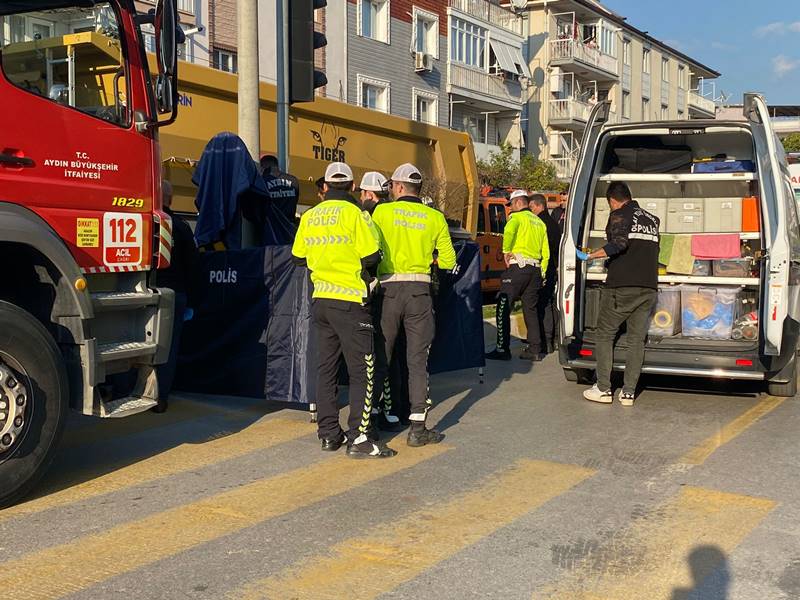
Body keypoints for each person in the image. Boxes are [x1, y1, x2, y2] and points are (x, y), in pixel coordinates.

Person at [291, 162, 396, 458]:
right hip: (350, 302)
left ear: (325, 186)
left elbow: (298, 257)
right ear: (351, 186)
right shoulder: (355, 214)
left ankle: (328, 434)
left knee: (325, 370)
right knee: (363, 371)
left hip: (321, 300)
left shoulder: (310, 216)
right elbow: (372, 255)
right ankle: (360, 438)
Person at [371, 163, 456, 447]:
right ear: (419, 190)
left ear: (397, 187)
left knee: (381, 356)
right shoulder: (434, 217)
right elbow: (448, 262)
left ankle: (370, 424)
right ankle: (418, 429)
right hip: (420, 292)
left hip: (388, 290)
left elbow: (369, 251)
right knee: (417, 361)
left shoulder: (381, 212)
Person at [577, 181, 659, 407]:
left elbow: (619, 244)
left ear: (612, 201)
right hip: (648, 288)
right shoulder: (652, 220)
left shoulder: (619, 215)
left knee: (604, 334)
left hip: (622, 287)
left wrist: (590, 256)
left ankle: (603, 388)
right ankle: (628, 393)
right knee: (636, 340)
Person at [486, 190, 550, 362]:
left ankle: (502, 349)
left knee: (503, 305)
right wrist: (542, 271)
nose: (509, 209)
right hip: (535, 269)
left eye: (510, 205)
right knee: (530, 309)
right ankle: (535, 349)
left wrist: (506, 251)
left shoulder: (516, 218)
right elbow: (546, 252)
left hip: (518, 267)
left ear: (517, 203)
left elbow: (509, 233)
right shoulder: (539, 222)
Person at [155, 180, 200, 412]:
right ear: (171, 199)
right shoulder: (181, 226)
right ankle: (160, 397)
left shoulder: (147, 222)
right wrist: (193, 299)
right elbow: (193, 265)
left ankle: (127, 389)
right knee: (168, 348)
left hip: (146, 289)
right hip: (174, 294)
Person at [530, 193, 561, 354]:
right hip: (553, 267)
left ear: (538, 206)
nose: (531, 211)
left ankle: (545, 340)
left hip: (543, 267)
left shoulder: (540, 224)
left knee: (542, 304)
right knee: (550, 303)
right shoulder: (554, 223)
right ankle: (554, 339)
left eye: (531, 208)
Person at [260, 154, 300, 224]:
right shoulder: (294, 180)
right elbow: (295, 200)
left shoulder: (262, 182)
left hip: (270, 227)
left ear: (263, 167)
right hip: (289, 226)